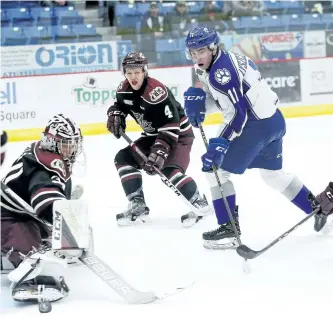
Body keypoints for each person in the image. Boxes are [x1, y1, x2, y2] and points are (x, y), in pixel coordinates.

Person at [183, 25, 322, 249]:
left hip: (254, 125)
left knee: (215, 171)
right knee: (274, 176)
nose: (197, 57)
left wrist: (221, 143)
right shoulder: (215, 63)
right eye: (193, 52)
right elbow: (224, 100)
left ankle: (228, 229)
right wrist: (201, 105)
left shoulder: (222, 72)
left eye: (201, 51)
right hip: (274, 121)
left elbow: (239, 113)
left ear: (213, 47)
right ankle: (318, 210)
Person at [107, 52, 212, 227]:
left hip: (178, 136)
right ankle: (137, 204)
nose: (133, 77)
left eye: (137, 72)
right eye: (129, 73)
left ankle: (198, 201)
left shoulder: (155, 92)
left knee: (169, 170)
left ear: (144, 71)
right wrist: (114, 113)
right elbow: (120, 106)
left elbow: (171, 124)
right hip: (152, 136)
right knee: (123, 158)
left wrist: (160, 151)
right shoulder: (123, 89)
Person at [0, 114, 87, 304]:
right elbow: (43, 195)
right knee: (29, 252)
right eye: (66, 143)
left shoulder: (47, 156)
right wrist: (64, 223)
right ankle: (25, 284)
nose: (72, 148)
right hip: (7, 218)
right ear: (53, 143)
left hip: (23, 214)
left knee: (44, 236)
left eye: (73, 143)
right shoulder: (42, 167)